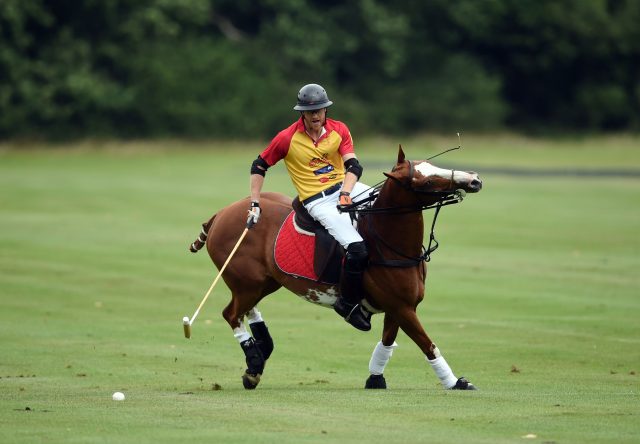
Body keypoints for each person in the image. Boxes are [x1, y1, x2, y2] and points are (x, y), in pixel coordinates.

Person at [247, 83, 371, 331]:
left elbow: (354, 167)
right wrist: (255, 202)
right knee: (357, 249)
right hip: (317, 200)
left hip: (345, 187)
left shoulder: (339, 130)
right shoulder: (286, 138)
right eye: (310, 111)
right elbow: (259, 165)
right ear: (301, 113)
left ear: (326, 110)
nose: (316, 116)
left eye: (320, 110)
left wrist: (346, 192)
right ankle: (346, 304)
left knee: (386, 202)